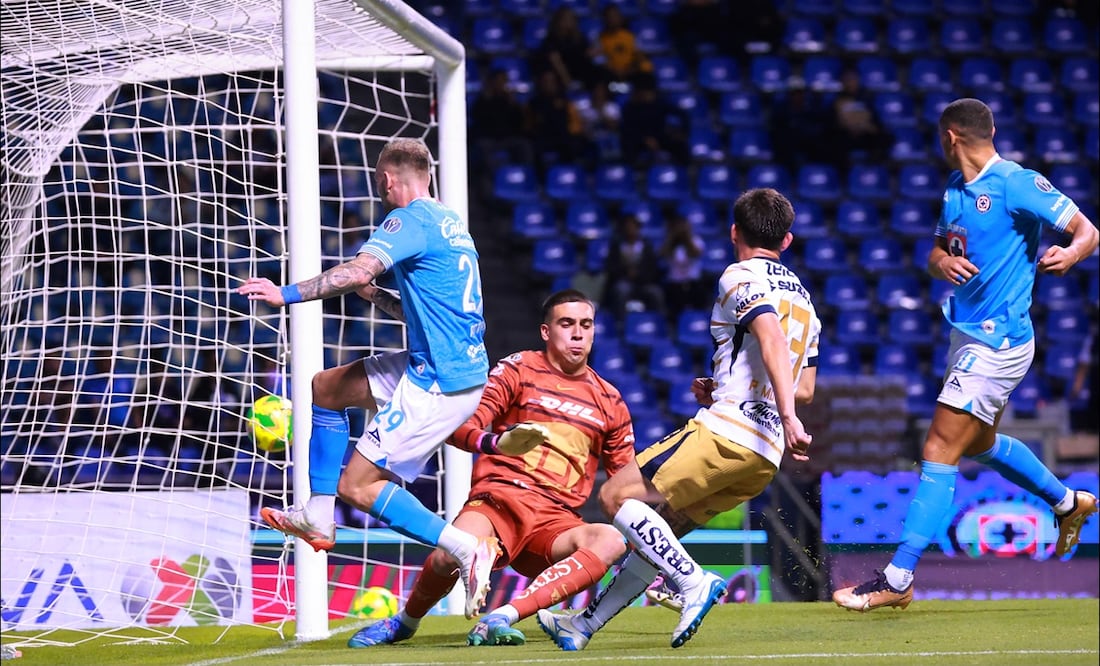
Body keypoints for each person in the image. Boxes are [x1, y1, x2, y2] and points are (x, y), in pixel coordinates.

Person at [832, 98, 1100, 613]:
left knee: (938, 445)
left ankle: (898, 575)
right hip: (965, 337)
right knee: (977, 441)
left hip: (999, 342)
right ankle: (1069, 503)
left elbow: (1088, 230)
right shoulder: (955, 191)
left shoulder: (1017, 182)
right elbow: (937, 252)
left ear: (949, 136)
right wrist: (941, 264)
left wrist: (1072, 252)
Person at [237, 138, 523, 619]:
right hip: (441, 363)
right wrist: (377, 298)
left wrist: (282, 294)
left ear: (388, 179)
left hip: (440, 383)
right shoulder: (451, 223)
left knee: (359, 486)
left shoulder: (407, 219)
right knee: (327, 387)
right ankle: (318, 517)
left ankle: (465, 547)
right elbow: (426, 311)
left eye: (380, 183)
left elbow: (356, 269)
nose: (381, 191)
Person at [538, 187, 821, 649]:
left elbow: (768, 337)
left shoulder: (740, 274)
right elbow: (804, 385)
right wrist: (737, 391)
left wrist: (789, 417)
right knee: (657, 530)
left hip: (731, 432)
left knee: (615, 495)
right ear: (787, 241)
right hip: (763, 458)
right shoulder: (807, 303)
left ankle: (692, 582)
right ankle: (583, 625)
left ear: (734, 232)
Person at [345, 289, 636, 648]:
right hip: (498, 501)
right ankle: (405, 623)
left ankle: (501, 617)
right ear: (546, 331)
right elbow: (461, 426)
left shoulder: (610, 399)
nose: (578, 333)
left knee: (609, 539)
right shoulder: (518, 369)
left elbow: (625, 485)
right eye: (567, 324)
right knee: (448, 555)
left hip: (555, 520)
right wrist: (496, 442)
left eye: (585, 325)